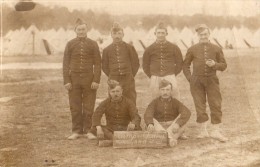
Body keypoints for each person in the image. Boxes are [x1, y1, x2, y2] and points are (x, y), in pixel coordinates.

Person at [183, 24, 228, 142]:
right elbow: (185, 65)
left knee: (216, 104)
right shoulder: (192, 49)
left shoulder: (216, 48)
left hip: (212, 80)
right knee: (200, 106)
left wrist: (215, 65)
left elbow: (224, 66)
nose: (203, 36)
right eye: (201, 34)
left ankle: (216, 131)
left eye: (205, 34)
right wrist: (190, 78)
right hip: (196, 81)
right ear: (198, 35)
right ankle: (203, 131)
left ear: (209, 34)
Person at [63, 18, 101, 140]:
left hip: (89, 79)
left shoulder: (93, 44)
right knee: (75, 106)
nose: (81, 31)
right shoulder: (70, 44)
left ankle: (89, 130)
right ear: (75, 30)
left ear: (87, 30)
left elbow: (98, 64)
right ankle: (76, 131)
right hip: (74, 80)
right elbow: (65, 64)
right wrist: (67, 81)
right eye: (79, 29)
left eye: (83, 29)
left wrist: (96, 80)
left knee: (89, 106)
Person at [144, 79, 191, 147]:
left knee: (183, 124)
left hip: (172, 127)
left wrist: (178, 124)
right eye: (163, 90)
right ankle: (170, 139)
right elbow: (148, 113)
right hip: (159, 127)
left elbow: (186, 112)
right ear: (159, 90)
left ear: (171, 91)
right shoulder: (154, 102)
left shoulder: (175, 102)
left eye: (167, 90)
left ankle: (162, 138)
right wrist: (150, 124)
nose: (165, 92)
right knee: (151, 123)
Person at [142, 22, 183, 100]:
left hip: (170, 76)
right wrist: (152, 75)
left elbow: (179, 63)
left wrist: (172, 74)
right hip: (155, 77)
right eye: (159, 33)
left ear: (166, 33)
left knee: (174, 97)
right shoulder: (149, 49)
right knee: (155, 98)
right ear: (155, 33)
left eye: (162, 33)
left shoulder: (174, 47)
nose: (160, 35)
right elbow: (145, 65)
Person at [102, 22, 140, 105]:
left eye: (119, 33)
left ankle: (131, 118)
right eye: (114, 34)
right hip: (114, 79)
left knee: (130, 100)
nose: (117, 36)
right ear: (111, 35)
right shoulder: (106, 50)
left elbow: (135, 63)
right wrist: (113, 75)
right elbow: (104, 67)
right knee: (114, 100)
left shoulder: (129, 48)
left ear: (123, 34)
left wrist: (130, 75)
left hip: (128, 78)